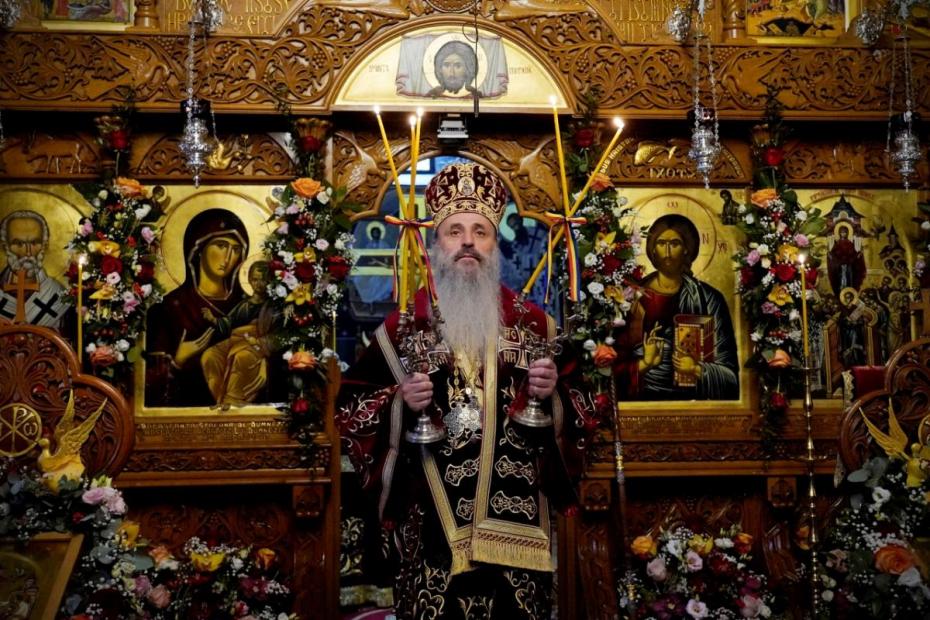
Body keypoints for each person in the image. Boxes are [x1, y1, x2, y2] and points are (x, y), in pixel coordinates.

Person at [336, 162, 589, 619]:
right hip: (431, 528)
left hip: (516, 535)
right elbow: (351, 408)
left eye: (480, 232)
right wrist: (398, 403)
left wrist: (552, 394)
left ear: (495, 245)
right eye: (455, 231)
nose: (468, 242)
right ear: (436, 243)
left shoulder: (536, 326)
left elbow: (585, 411)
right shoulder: (402, 327)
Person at [616, 214, 739, 400]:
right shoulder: (631, 298)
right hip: (640, 402)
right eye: (661, 243)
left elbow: (731, 379)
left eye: (675, 244)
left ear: (687, 249)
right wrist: (645, 364)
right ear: (652, 248)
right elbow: (612, 370)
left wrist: (696, 369)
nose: (667, 252)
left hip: (694, 404)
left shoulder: (709, 299)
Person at [145, 208, 248, 407]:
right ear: (198, 248)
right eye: (221, 245)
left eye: (236, 249)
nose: (228, 257)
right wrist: (178, 361)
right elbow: (149, 388)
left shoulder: (248, 306)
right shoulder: (167, 309)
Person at [199, 260, 276, 409]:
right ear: (249, 280)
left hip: (256, 346)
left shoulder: (273, 307)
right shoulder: (244, 304)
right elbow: (229, 322)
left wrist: (260, 343)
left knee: (241, 357)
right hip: (237, 341)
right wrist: (213, 320)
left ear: (269, 281)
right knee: (209, 356)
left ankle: (232, 400)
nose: (259, 284)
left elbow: (279, 335)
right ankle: (221, 399)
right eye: (255, 279)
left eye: (263, 280)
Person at [0, 210, 69, 329]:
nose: (28, 252)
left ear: (44, 245)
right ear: (5, 246)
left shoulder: (58, 295)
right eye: (19, 244)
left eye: (34, 242)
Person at [827, 221, 865, 296]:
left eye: (844, 232)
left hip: (848, 265)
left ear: (847, 233)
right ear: (839, 233)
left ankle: (848, 293)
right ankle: (840, 293)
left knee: (849, 278)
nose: (843, 234)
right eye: (842, 232)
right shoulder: (837, 244)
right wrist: (830, 255)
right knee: (840, 279)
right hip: (839, 266)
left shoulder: (850, 243)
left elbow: (853, 254)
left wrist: (858, 254)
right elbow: (834, 254)